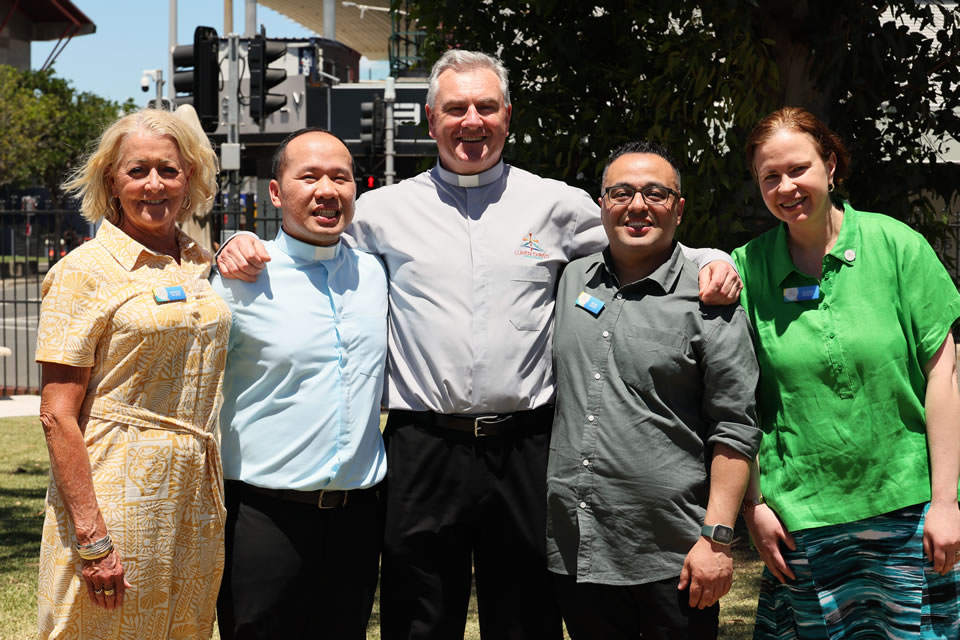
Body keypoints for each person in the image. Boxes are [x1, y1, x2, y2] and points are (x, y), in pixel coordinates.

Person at [216, 50, 742, 639]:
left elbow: (643, 233)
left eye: (486, 107)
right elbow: (307, 235)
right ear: (431, 118)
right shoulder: (380, 211)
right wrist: (236, 243)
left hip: (526, 447)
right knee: (418, 619)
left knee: (525, 620)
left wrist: (713, 257)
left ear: (507, 117)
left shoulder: (557, 204)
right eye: (456, 108)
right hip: (423, 447)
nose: (472, 122)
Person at [732, 106, 960, 638]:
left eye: (798, 169)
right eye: (770, 177)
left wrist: (946, 502)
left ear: (830, 166)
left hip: (909, 506)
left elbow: (944, 376)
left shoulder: (895, 245)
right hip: (803, 518)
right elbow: (737, 401)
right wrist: (753, 506)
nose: (786, 187)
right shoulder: (747, 268)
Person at [547, 141, 761, 639]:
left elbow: (735, 426)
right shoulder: (573, 278)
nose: (637, 206)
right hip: (578, 545)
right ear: (602, 204)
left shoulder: (710, 296)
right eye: (621, 192)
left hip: (675, 553)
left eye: (655, 193)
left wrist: (717, 540)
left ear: (678, 208)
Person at [36, 109, 227, 639]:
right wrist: (93, 538)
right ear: (111, 180)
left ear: (189, 176)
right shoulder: (83, 272)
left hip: (195, 495)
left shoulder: (199, 263)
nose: (154, 184)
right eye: (137, 170)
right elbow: (56, 415)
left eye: (168, 169)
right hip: (116, 489)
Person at [211, 128, 387, 639]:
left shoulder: (376, 273)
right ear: (275, 192)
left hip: (357, 518)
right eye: (308, 177)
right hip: (263, 518)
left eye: (340, 177)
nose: (327, 191)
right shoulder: (237, 280)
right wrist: (228, 243)